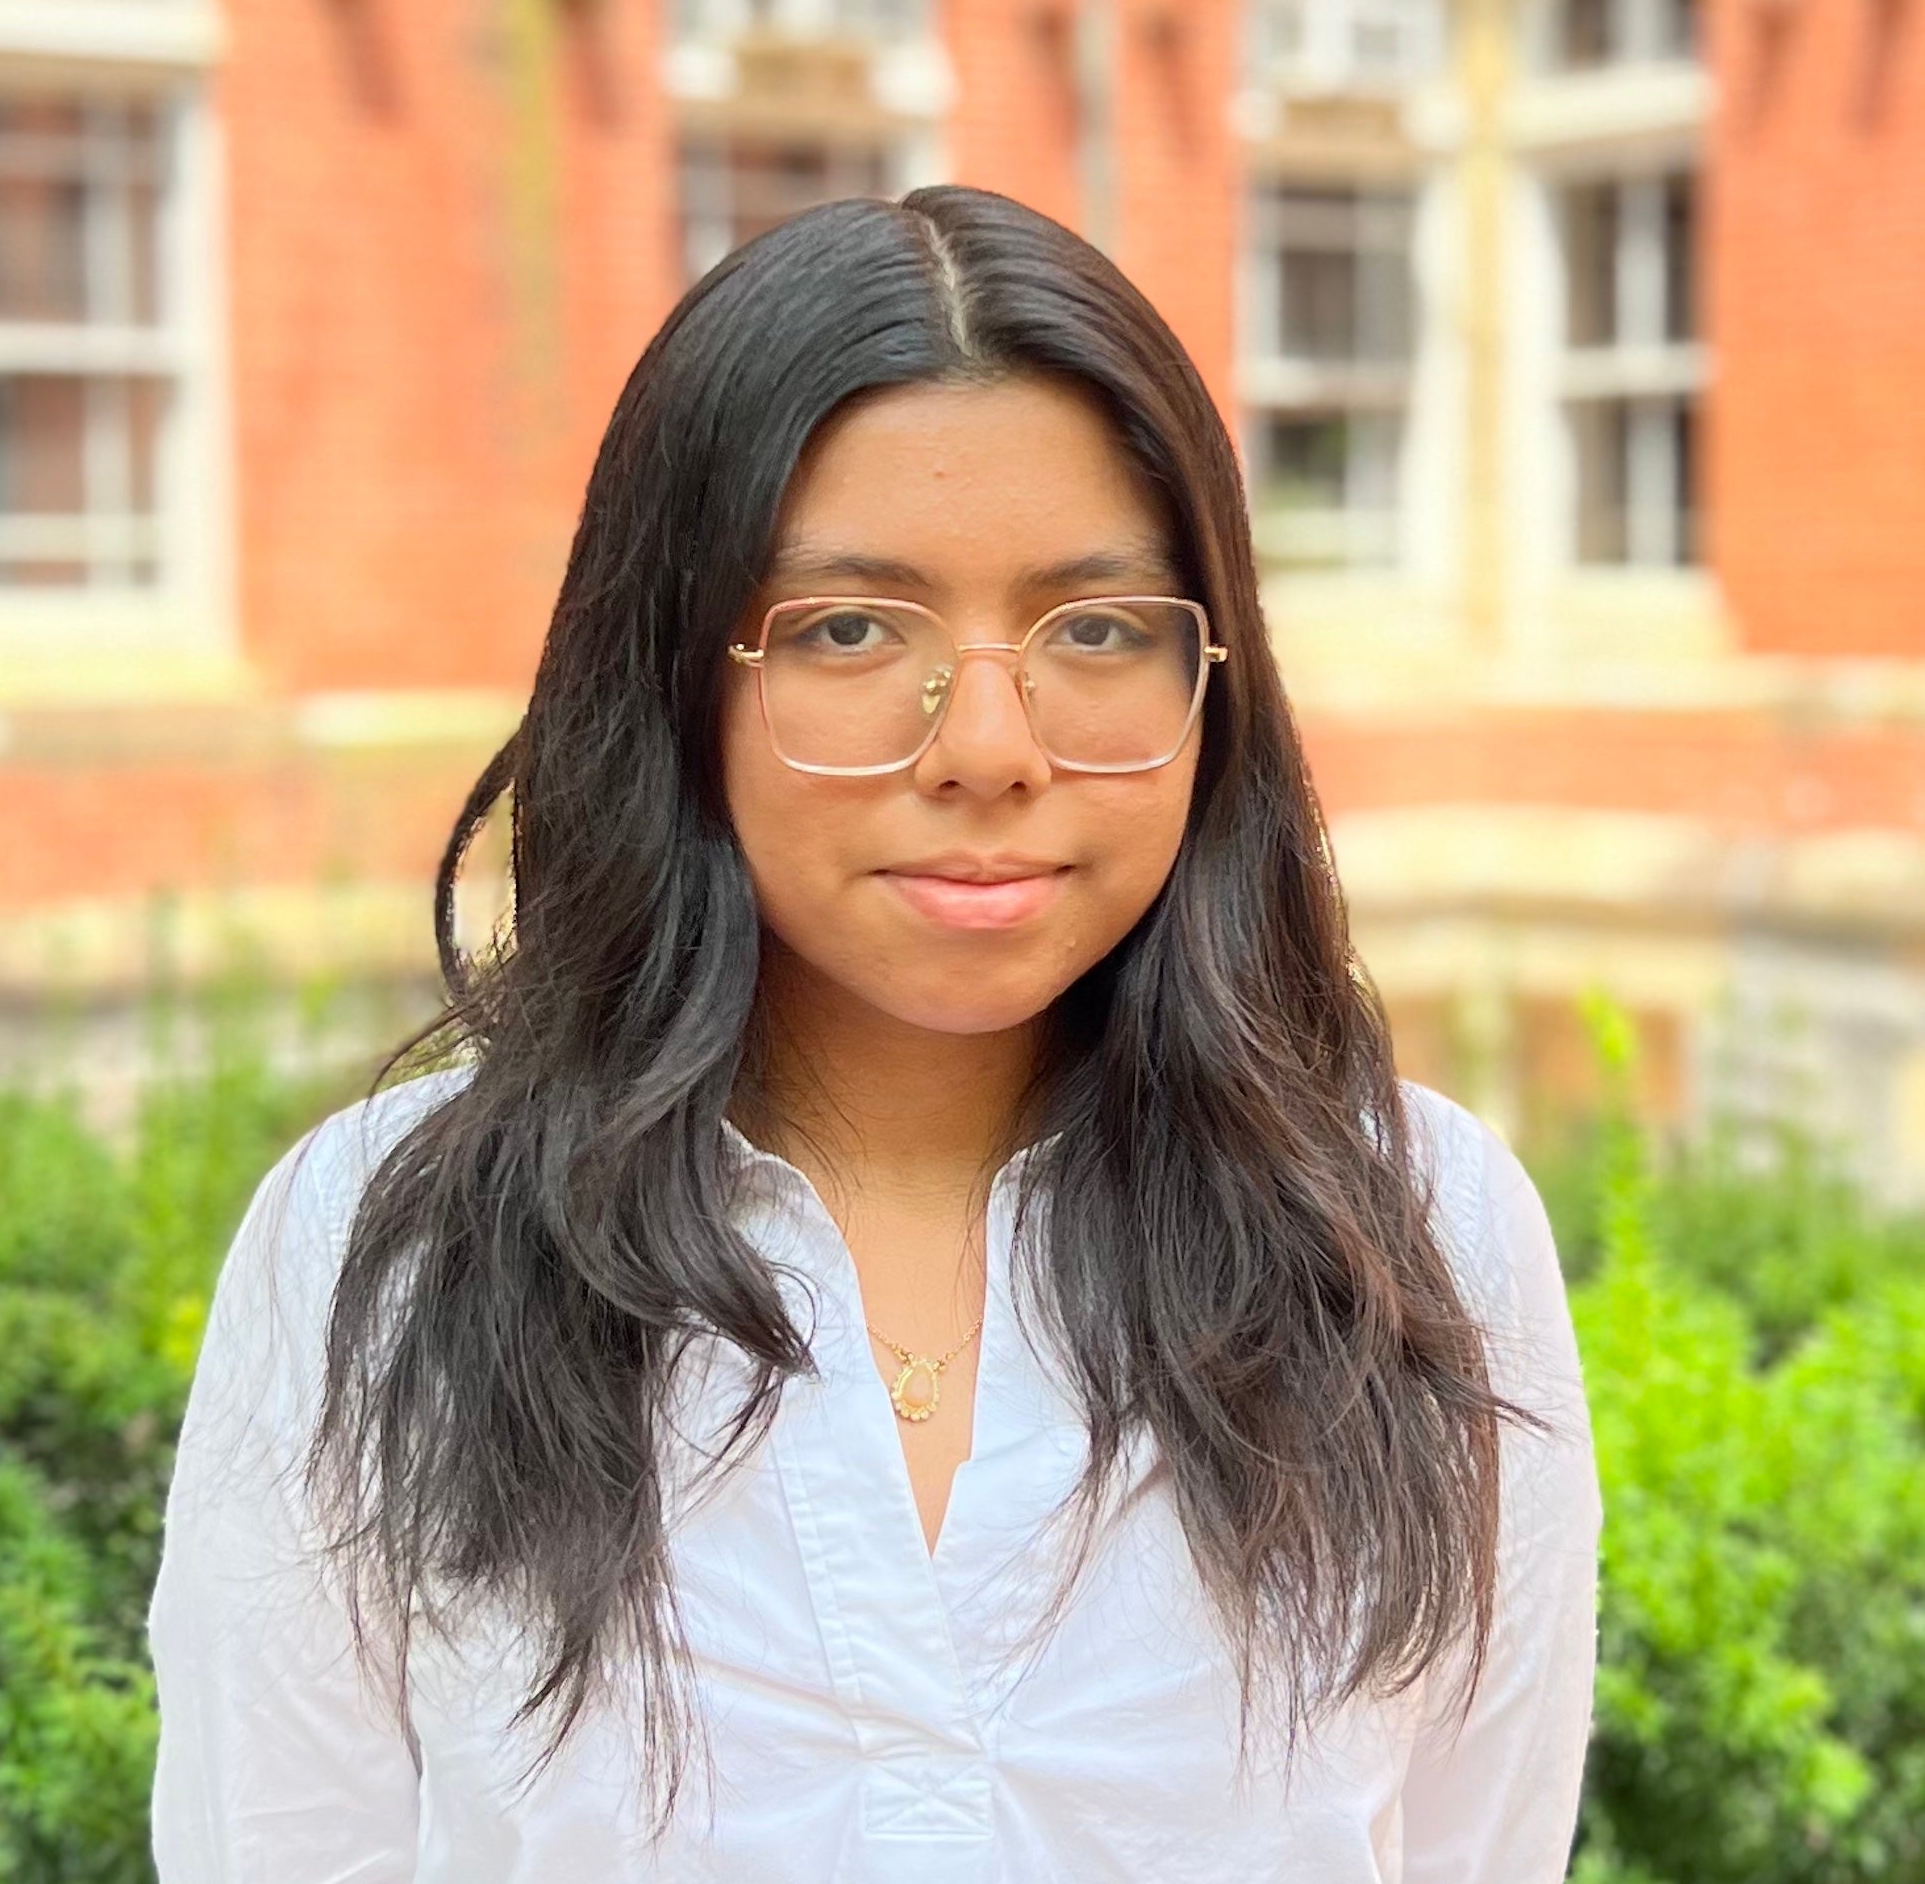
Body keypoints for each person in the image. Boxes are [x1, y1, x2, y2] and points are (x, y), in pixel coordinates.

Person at [147, 183, 1600, 1882]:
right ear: (674, 676)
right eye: (849, 629)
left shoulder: (1423, 1242)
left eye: (1096, 629)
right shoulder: (377, 1258)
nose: (987, 747)